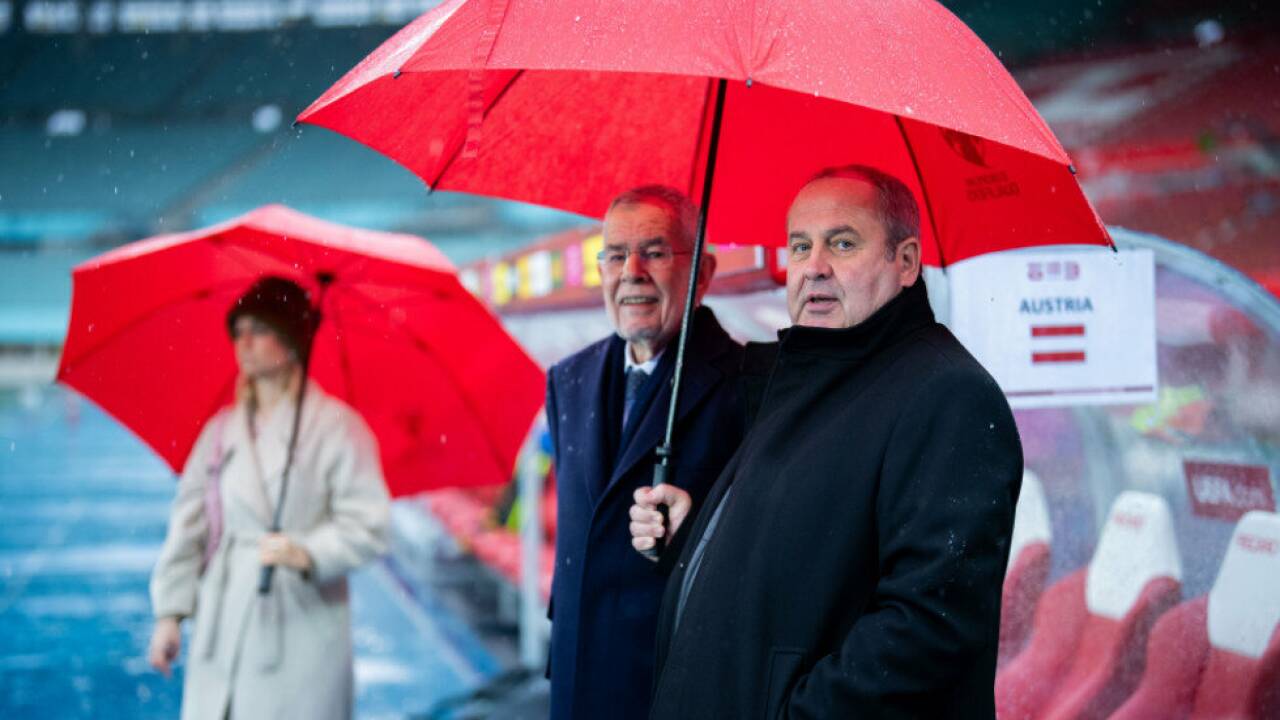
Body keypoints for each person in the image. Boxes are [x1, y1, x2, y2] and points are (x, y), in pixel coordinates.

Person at [631, 165, 1024, 718]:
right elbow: (809, 553)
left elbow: (928, 627)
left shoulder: (947, 396)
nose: (813, 267)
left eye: (842, 243)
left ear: (905, 262)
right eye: (799, 246)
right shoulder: (809, 376)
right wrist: (696, 535)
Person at [544, 186, 748, 720]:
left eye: (655, 252)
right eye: (615, 255)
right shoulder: (568, 380)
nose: (631, 271)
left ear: (702, 273)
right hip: (575, 676)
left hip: (673, 687)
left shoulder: (750, 386)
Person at [147, 276, 390, 720]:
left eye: (258, 330)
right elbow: (190, 525)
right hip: (225, 614)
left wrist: (309, 551)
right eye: (237, 331)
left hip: (302, 621)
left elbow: (370, 523)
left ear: (291, 340)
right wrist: (171, 613)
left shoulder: (337, 428)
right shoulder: (220, 431)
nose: (244, 343)